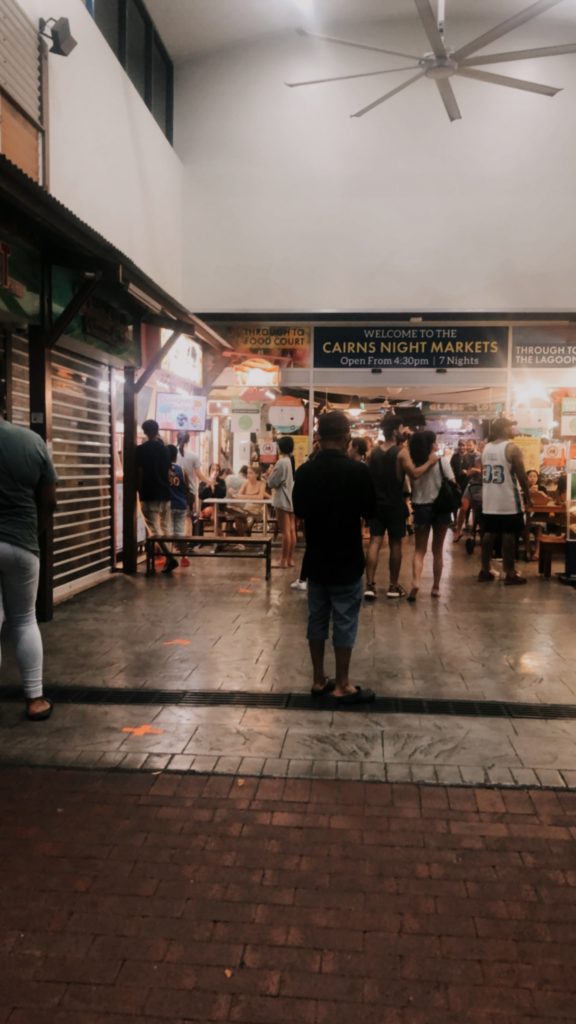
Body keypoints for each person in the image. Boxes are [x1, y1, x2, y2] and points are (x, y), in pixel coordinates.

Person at [293, 411, 377, 704]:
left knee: (316, 618)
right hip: (347, 558)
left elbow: (300, 511)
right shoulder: (358, 471)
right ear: (346, 438)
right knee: (345, 620)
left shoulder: (305, 471)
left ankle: (318, 680)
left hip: (316, 558)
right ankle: (342, 684)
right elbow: (370, 511)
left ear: (318, 436)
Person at [0, 381, 58, 720]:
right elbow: (49, 500)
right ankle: (35, 699)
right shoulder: (30, 441)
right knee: (24, 620)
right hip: (22, 543)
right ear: (4, 401)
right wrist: (31, 535)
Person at [365, 415, 439, 600]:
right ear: (394, 431)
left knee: (375, 541)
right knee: (395, 543)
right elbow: (414, 474)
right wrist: (430, 462)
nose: (404, 431)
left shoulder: (372, 452)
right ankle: (393, 586)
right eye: (401, 428)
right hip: (395, 503)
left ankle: (370, 585)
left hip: (376, 503)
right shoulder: (401, 453)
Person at [479, 417, 531, 585]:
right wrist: (528, 496)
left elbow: (483, 471)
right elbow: (522, 476)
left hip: (489, 499)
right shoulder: (512, 448)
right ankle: (510, 572)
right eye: (510, 426)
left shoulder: (486, 448)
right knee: (509, 535)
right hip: (508, 500)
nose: (513, 429)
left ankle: (485, 570)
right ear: (503, 429)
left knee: (489, 534)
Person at [407, 429, 455, 601]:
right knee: (438, 550)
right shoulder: (442, 462)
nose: (436, 444)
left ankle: (416, 582)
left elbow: (411, 483)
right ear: (430, 444)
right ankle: (435, 587)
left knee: (419, 550)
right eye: (434, 441)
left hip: (421, 508)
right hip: (441, 508)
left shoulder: (413, 464)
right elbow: (452, 481)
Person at [136, 419, 178, 574]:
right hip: (165, 493)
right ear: (157, 430)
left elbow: (139, 472)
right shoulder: (165, 449)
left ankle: (170, 557)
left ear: (144, 432)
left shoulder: (140, 450)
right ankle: (169, 558)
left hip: (149, 493)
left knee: (154, 529)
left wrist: (139, 490)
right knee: (166, 528)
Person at [267, 436, 296, 568]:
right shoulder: (289, 461)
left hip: (282, 499)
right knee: (291, 530)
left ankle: (283, 560)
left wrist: (269, 473)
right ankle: (289, 559)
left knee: (285, 532)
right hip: (290, 498)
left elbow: (272, 482)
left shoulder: (281, 462)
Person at [176, 431, 210, 514]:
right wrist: (210, 481)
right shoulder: (193, 455)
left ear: (177, 439)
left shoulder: (171, 453)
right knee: (188, 516)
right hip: (189, 490)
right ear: (188, 440)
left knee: (173, 517)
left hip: (174, 489)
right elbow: (199, 475)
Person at [166, 444, 190, 566]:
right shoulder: (182, 470)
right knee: (180, 532)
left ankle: (169, 558)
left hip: (168, 504)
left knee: (168, 533)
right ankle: (184, 557)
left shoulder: (163, 469)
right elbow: (187, 488)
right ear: (176, 456)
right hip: (181, 504)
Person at [234, 466, 268, 535]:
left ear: (257, 474)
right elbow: (238, 496)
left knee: (248, 516)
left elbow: (260, 497)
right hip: (246, 508)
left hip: (257, 509)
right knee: (237, 516)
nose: (248, 475)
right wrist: (250, 497)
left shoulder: (261, 484)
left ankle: (245, 534)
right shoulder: (246, 483)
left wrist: (244, 496)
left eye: (250, 473)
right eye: (247, 473)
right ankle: (242, 537)